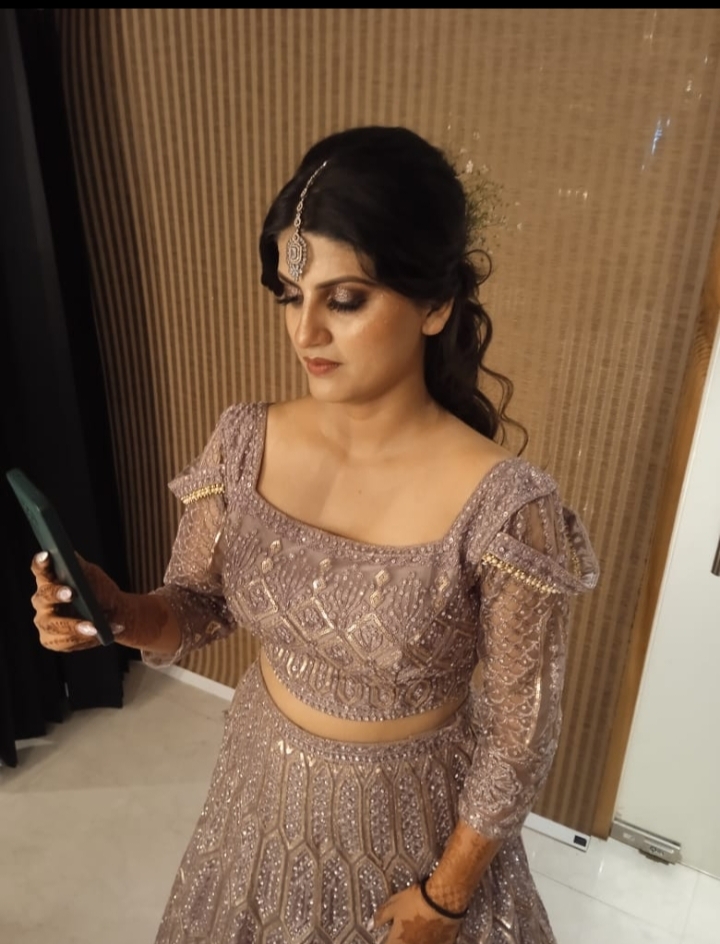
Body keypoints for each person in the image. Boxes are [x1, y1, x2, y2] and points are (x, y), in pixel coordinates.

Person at [30, 125, 598, 944]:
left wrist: (446, 897)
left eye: (346, 299)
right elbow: (195, 606)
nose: (305, 333)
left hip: (411, 834)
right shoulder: (245, 441)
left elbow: (519, 733)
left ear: (436, 304)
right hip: (261, 792)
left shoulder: (506, 508)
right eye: (291, 296)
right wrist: (115, 611)